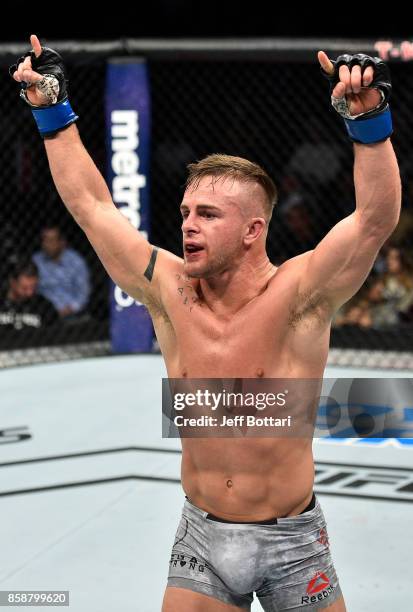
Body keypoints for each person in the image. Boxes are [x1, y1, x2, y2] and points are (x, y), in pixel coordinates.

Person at [11, 35, 401, 611]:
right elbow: (92, 207)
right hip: (202, 536)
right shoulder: (167, 289)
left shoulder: (299, 294)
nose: (188, 225)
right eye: (186, 213)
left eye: (208, 215)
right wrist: (52, 109)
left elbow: (373, 220)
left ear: (253, 230)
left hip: (293, 542)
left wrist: (369, 122)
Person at [33, 225, 90, 318]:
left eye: (51, 240)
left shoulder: (76, 262)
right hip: (42, 313)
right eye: (44, 240)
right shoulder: (36, 261)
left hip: (71, 313)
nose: (46, 244)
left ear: (62, 242)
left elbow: (83, 294)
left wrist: (70, 309)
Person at [0, 259, 58, 331]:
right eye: (24, 288)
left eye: (34, 287)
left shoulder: (44, 306)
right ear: (13, 283)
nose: (29, 293)